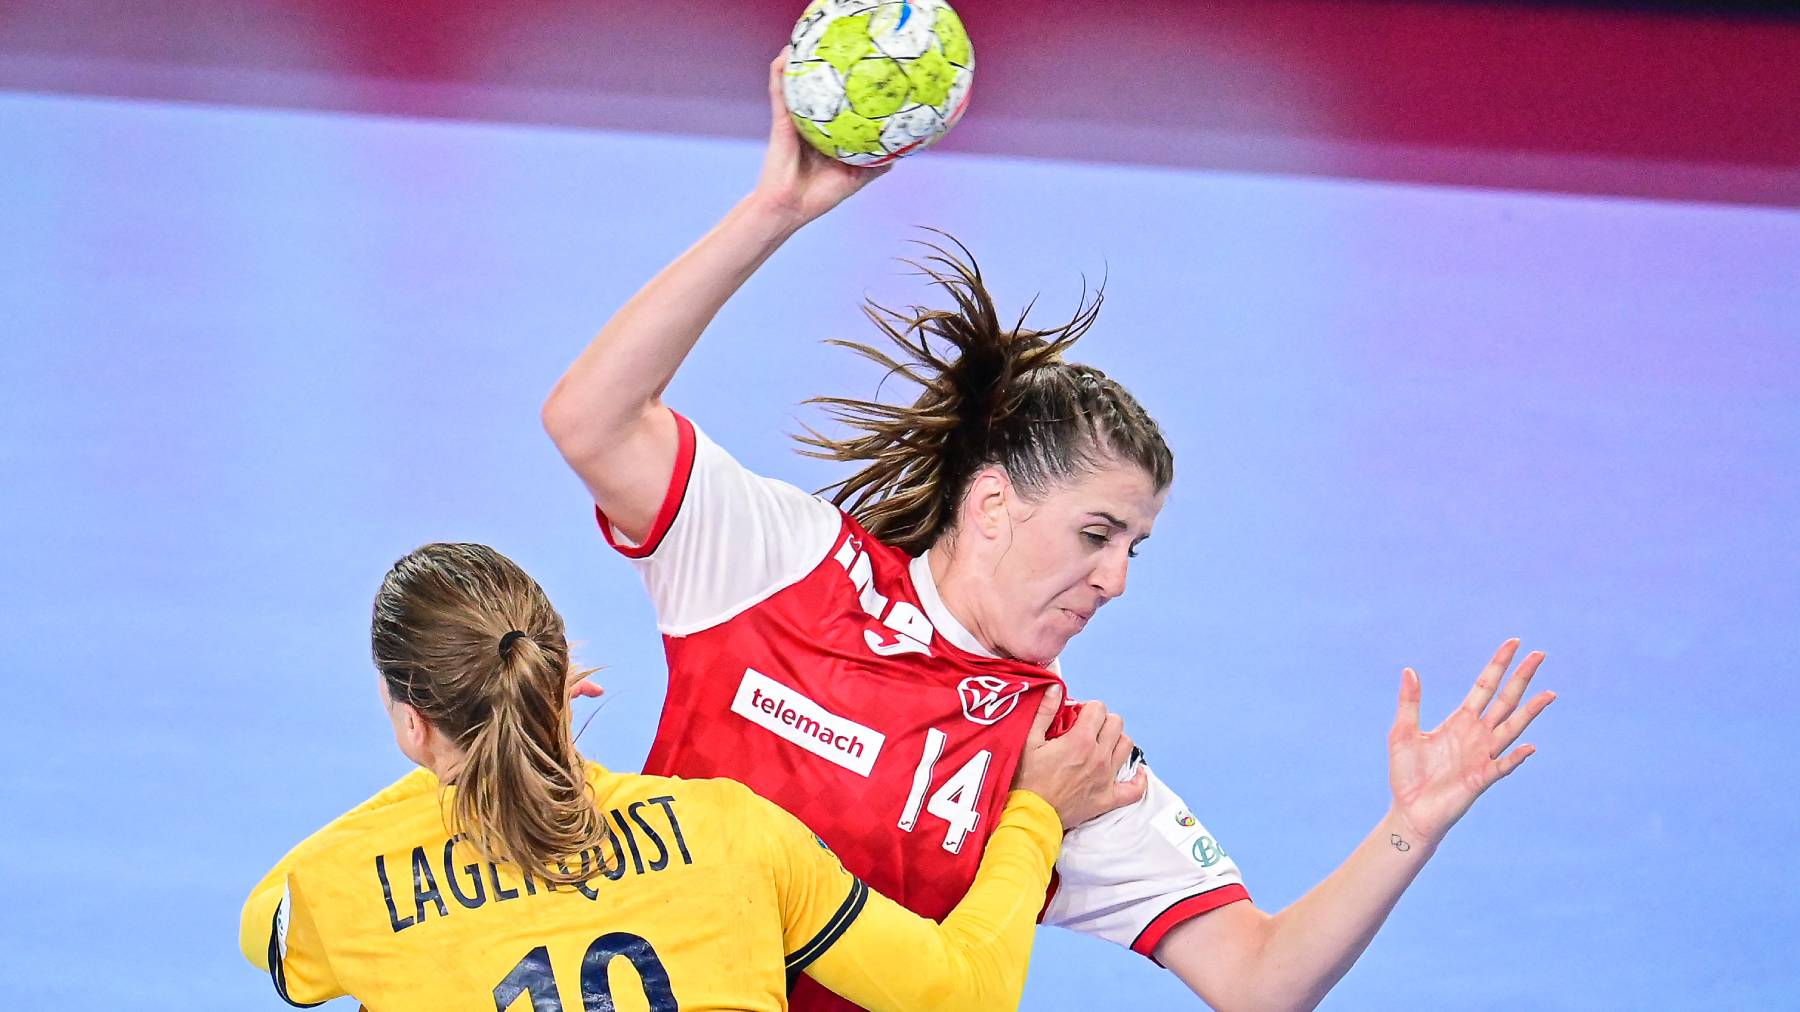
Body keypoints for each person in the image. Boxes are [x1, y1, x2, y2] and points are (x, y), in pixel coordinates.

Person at [541, 57, 1557, 1011]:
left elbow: (1259, 979)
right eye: (1095, 534)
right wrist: (773, 211)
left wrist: (1410, 826)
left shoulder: (1063, 762)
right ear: (992, 506)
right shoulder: (784, 567)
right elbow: (589, 419)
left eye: (1133, 548)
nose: (1116, 579)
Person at [238, 542, 1144, 1011]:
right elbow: (964, 992)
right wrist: (1034, 812)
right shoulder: (733, 832)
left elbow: (266, 928)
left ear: (411, 721)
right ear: (562, 676)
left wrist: (450, 768)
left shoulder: (342, 884)